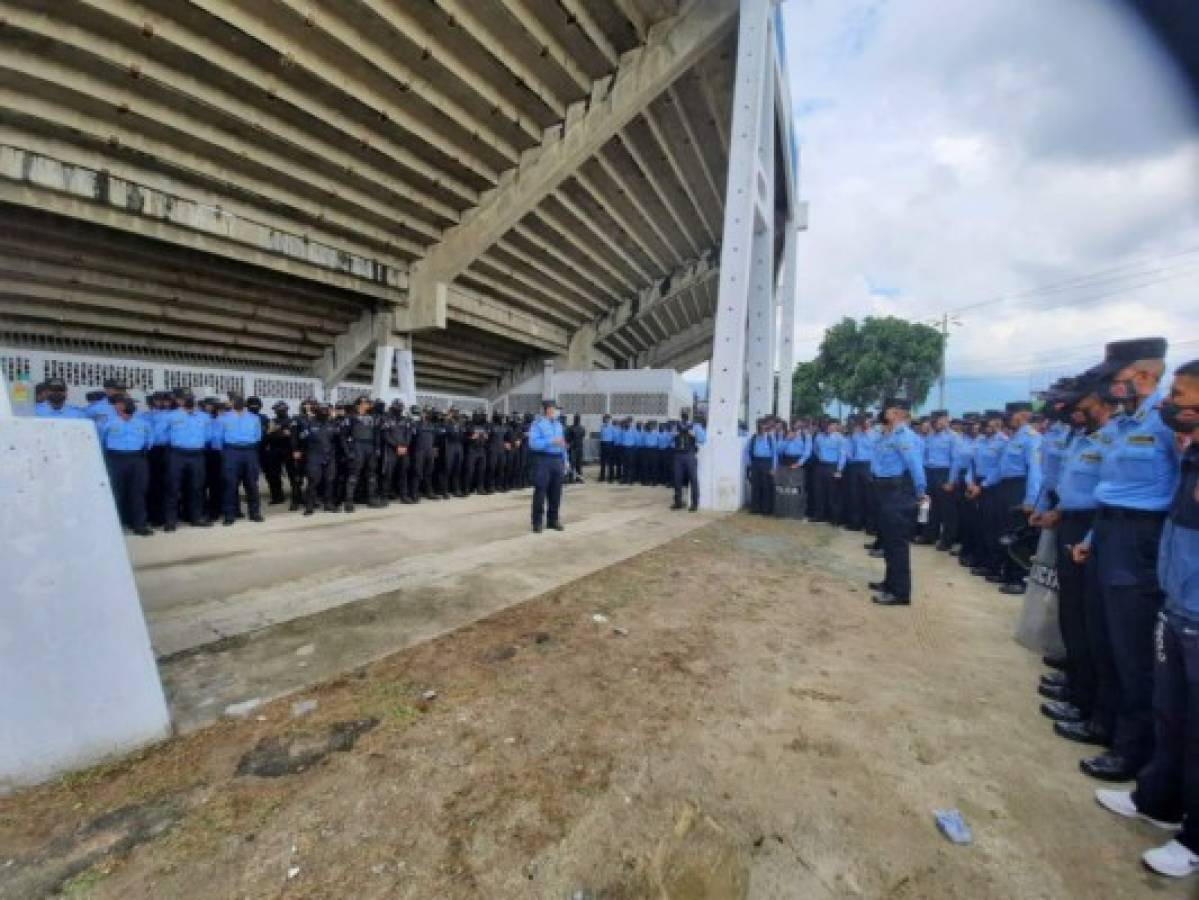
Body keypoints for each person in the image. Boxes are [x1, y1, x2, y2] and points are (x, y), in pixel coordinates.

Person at [1095, 359, 1199, 878]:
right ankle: (1156, 801)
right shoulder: (1193, 453)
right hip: (1178, 599)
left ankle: (1195, 839)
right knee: (1172, 710)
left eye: (1181, 395)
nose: (1171, 404)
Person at [1074, 337, 1178, 782]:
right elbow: (1111, 491)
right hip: (1110, 531)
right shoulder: (1121, 425)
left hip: (1141, 540)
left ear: (1142, 376)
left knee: (1133, 648)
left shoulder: (1164, 423)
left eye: (1114, 380)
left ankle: (1132, 751)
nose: (1109, 389)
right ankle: (1105, 723)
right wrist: (1094, 536)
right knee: (1104, 634)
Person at [868, 397, 927, 606]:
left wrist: (921, 491)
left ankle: (900, 592)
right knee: (889, 540)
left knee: (897, 543)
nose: (884, 413)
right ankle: (890, 582)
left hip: (898, 492)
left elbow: (915, 465)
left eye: (888, 410)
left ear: (898, 413)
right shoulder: (887, 435)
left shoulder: (904, 436)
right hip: (885, 491)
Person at [99, 396, 154, 536]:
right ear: (116, 406)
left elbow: (150, 441)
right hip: (115, 460)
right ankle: (114, 526)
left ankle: (139, 525)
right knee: (116, 493)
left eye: (129, 403)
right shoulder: (107, 423)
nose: (128, 406)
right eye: (124, 403)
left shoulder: (143, 423)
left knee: (138, 493)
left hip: (137, 459)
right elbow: (100, 442)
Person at [163, 394, 213, 531]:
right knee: (173, 488)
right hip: (177, 454)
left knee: (197, 488)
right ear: (179, 401)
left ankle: (196, 518)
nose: (189, 401)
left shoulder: (204, 416)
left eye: (191, 398)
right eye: (185, 398)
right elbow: (162, 434)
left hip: (197, 455)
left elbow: (209, 436)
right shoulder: (171, 416)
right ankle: (171, 521)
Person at [215, 392, 263, 526]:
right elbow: (217, 439)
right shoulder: (223, 418)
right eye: (235, 400)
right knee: (230, 485)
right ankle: (229, 515)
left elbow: (258, 436)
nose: (238, 402)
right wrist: (224, 454)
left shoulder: (254, 418)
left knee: (252, 484)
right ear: (230, 403)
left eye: (240, 399)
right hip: (231, 452)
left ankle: (255, 513)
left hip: (249, 452)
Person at [917, 410, 955, 548]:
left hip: (944, 474)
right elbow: (924, 456)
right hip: (929, 473)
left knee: (946, 510)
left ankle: (947, 540)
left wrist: (951, 481)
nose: (938, 422)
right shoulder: (929, 436)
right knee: (927, 506)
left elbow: (955, 461)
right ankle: (927, 535)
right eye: (936, 419)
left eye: (941, 419)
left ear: (946, 420)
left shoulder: (953, 437)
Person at [528, 398, 566, 533]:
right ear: (548, 409)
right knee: (540, 491)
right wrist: (551, 441)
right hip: (543, 460)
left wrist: (565, 461)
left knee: (556, 492)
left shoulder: (559, 425)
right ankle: (537, 522)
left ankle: (553, 520)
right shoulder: (537, 424)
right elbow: (533, 444)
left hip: (557, 460)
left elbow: (562, 444)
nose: (557, 412)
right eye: (555, 409)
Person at [810, 419, 848, 523]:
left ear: (835, 427)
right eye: (827, 425)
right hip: (821, 466)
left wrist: (839, 470)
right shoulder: (819, 436)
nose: (829, 428)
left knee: (833, 493)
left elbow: (842, 455)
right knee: (818, 491)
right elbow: (815, 450)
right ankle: (819, 515)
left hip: (833, 466)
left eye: (831, 426)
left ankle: (834, 518)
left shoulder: (840, 438)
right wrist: (821, 458)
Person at [843, 414, 875, 531]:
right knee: (855, 496)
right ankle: (855, 523)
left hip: (869, 466)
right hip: (855, 466)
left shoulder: (875, 436)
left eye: (868, 422)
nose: (865, 424)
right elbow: (849, 450)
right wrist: (852, 458)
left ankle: (870, 525)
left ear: (871, 423)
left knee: (869, 497)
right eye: (863, 422)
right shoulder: (855, 435)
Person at [671, 410, 706, 511]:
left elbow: (703, 439)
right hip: (678, 455)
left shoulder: (696, 426)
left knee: (693, 479)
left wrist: (694, 434)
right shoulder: (676, 425)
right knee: (677, 479)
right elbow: (670, 438)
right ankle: (678, 502)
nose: (684, 415)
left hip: (689, 454)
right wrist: (674, 434)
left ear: (689, 415)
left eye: (686, 413)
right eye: (683, 413)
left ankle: (695, 503)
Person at [745, 418, 778, 515]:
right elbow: (748, 451)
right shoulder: (753, 437)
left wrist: (773, 468)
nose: (760, 427)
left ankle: (766, 509)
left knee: (766, 486)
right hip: (755, 462)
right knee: (755, 485)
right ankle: (755, 508)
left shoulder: (770, 438)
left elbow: (775, 454)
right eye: (759, 425)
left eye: (762, 425)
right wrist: (749, 463)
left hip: (766, 463)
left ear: (766, 426)